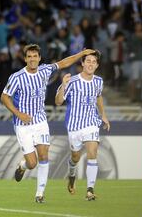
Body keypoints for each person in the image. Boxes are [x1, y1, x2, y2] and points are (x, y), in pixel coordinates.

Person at [1, 44, 94, 203]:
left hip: (40, 121)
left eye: (35, 56)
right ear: (25, 59)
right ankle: (23, 166)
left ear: (39, 58)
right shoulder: (17, 77)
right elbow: (4, 97)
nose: (32, 59)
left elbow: (64, 63)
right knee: (32, 163)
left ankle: (39, 194)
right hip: (22, 124)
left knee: (44, 155)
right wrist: (19, 114)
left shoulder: (45, 70)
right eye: (29, 56)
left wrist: (82, 54)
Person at [55, 50, 110, 201]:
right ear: (82, 63)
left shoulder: (98, 81)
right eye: (88, 61)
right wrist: (63, 86)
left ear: (97, 65)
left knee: (92, 152)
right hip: (74, 126)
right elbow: (58, 102)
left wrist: (103, 114)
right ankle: (72, 175)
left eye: (94, 62)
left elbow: (98, 96)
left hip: (92, 123)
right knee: (75, 157)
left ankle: (90, 190)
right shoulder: (72, 81)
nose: (91, 64)